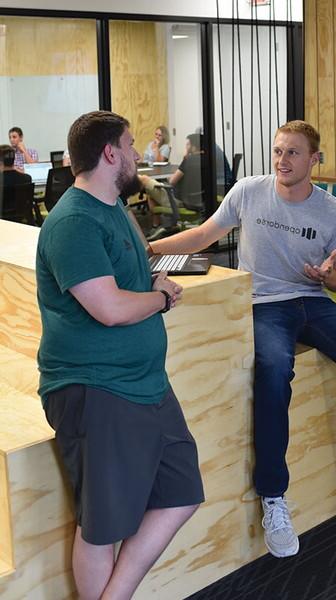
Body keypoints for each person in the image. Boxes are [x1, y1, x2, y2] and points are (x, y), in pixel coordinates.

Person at [150, 120, 336, 559]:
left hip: (313, 302)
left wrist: (328, 276)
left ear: (315, 160)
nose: (282, 161)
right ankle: (273, 496)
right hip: (264, 305)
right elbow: (206, 234)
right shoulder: (248, 190)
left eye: (293, 153)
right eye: (278, 151)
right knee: (275, 370)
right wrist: (149, 249)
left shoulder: (334, 212)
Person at [36, 110, 203, 598]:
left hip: (145, 383)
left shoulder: (114, 209)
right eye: (130, 145)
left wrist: (152, 282)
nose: (136, 154)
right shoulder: (73, 221)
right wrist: (162, 299)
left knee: (181, 493)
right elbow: (107, 307)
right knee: (102, 526)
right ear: (111, 153)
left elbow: (127, 276)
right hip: (96, 388)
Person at [140, 132, 203, 236]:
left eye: (187, 145)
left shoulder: (188, 161)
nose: (186, 147)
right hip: (200, 201)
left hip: (180, 201)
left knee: (145, 181)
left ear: (193, 146)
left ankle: (157, 226)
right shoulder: (208, 160)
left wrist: (186, 156)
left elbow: (171, 181)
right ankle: (164, 225)